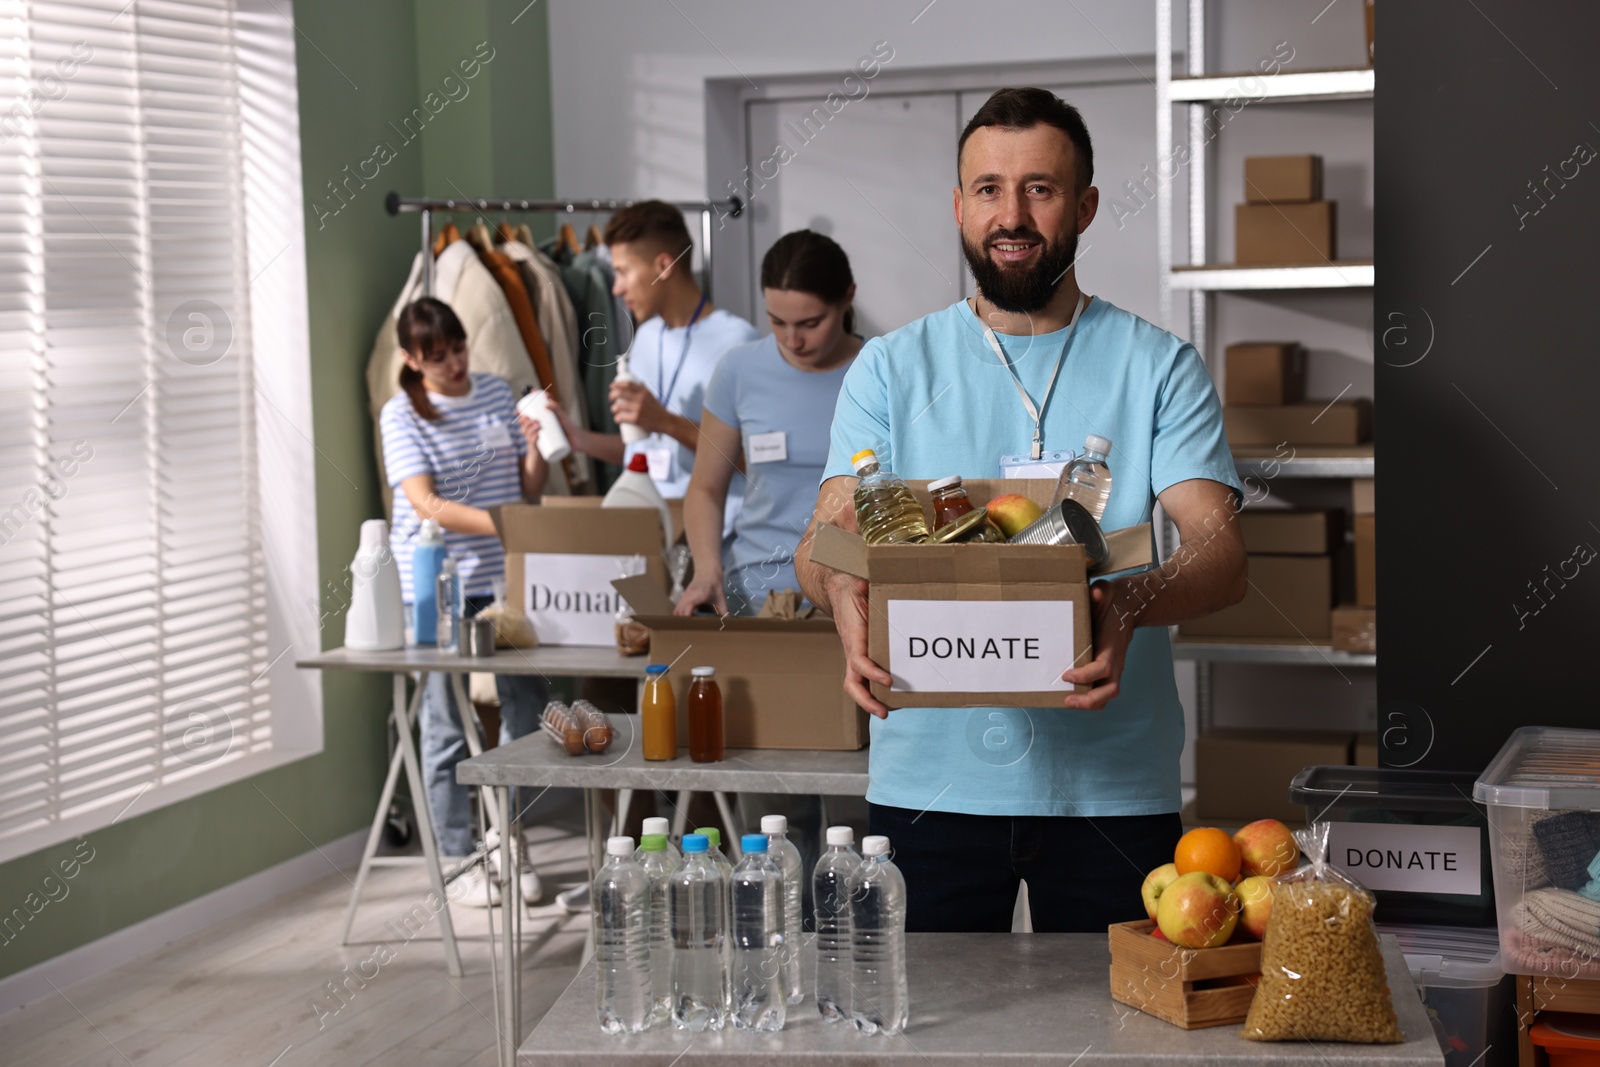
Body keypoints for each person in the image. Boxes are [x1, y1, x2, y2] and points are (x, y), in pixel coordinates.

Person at [794, 87, 1248, 934]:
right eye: (990, 189)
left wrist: (1134, 604)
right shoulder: (891, 369)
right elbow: (825, 540)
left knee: (1129, 1035)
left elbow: (1222, 556)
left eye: (1039, 189)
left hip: (1113, 788)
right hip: (927, 786)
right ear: (960, 206)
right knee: (922, 1031)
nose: (1013, 214)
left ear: (1084, 206)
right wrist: (843, 599)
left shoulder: (1159, 367)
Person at [380, 296, 551, 907]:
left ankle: (510, 840)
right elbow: (426, 503)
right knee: (446, 719)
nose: (453, 365)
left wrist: (534, 445)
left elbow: (528, 489)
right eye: (437, 357)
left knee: (527, 712)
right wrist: (504, 526)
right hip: (436, 582)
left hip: (503, 579)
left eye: (458, 350)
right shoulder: (400, 414)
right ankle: (457, 859)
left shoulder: (495, 392)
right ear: (409, 359)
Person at [676, 230, 863, 617]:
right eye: (777, 322)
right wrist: (707, 568)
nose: (792, 340)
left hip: (854, 595)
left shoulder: (881, 371)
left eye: (811, 323)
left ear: (847, 298)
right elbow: (706, 489)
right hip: (752, 594)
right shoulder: (738, 370)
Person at [556, 200, 759, 517]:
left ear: (664, 265)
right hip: (648, 530)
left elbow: (755, 460)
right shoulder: (647, 336)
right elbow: (643, 450)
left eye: (622, 271)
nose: (616, 288)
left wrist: (665, 421)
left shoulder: (740, 343)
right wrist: (578, 439)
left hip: (715, 544)